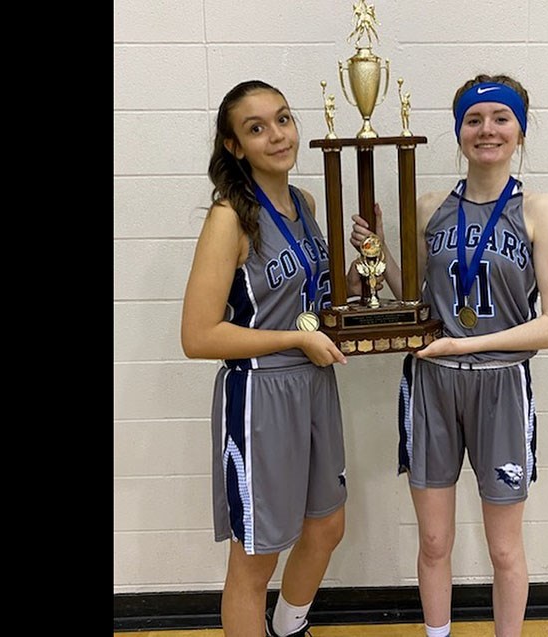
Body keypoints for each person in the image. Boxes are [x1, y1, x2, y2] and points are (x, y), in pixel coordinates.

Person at [349, 73, 548, 637]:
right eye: (473, 120)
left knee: (503, 548)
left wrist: (466, 343)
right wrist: (374, 252)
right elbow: (412, 301)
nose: (487, 130)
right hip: (432, 382)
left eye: (501, 118)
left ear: (520, 130)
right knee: (433, 540)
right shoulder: (430, 206)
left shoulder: (541, 209)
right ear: (458, 132)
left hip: (500, 382)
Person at [181, 80, 353, 637]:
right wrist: (292, 340)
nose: (277, 135)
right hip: (260, 392)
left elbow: (315, 301)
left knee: (326, 527)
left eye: (282, 119)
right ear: (235, 146)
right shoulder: (229, 217)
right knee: (255, 559)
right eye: (256, 128)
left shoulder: (302, 204)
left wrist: (364, 269)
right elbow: (198, 336)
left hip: (314, 380)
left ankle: (287, 627)